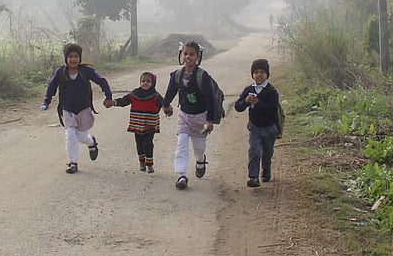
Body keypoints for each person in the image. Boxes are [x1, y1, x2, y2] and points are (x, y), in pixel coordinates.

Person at [41, 43, 114, 174]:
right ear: (66, 58)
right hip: (67, 109)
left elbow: (102, 81)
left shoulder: (86, 71)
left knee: (81, 137)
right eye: (70, 56)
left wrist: (108, 96)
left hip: (84, 109)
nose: (73, 59)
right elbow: (51, 87)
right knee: (70, 135)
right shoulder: (60, 72)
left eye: (76, 56)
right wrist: (46, 102)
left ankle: (91, 142)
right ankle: (73, 162)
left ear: (80, 58)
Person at [161, 40, 219, 190]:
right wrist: (166, 105)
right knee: (181, 143)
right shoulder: (177, 75)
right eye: (185, 54)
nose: (188, 57)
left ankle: (200, 160)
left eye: (192, 54)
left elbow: (211, 99)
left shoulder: (203, 76)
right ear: (181, 55)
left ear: (198, 56)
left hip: (201, 117)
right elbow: (171, 91)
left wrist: (210, 120)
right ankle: (182, 175)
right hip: (184, 116)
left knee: (199, 147)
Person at [233, 58, 280, 187]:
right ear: (252, 74)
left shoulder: (271, 91)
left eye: (262, 72)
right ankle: (253, 177)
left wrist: (258, 103)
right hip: (255, 127)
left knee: (267, 153)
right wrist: (246, 101)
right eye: (256, 72)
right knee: (254, 152)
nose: (259, 75)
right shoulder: (249, 89)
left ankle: (266, 170)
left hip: (270, 128)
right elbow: (238, 107)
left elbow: (272, 110)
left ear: (267, 75)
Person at [112, 72, 164, 173]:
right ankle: (142, 162)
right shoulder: (134, 94)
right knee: (139, 144)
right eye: (143, 81)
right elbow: (123, 101)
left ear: (153, 83)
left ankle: (149, 164)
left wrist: (167, 108)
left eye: (148, 81)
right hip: (137, 124)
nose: (145, 83)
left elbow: (163, 104)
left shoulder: (156, 96)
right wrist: (113, 103)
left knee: (148, 144)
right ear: (140, 82)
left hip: (150, 125)